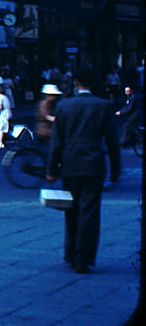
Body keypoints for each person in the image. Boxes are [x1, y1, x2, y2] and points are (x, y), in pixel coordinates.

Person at [47, 67, 121, 274]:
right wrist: (115, 171)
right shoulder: (104, 106)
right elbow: (112, 142)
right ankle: (83, 258)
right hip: (94, 166)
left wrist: (52, 170)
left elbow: (57, 142)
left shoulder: (63, 106)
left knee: (70, 211)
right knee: (89, 213)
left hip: (69, 165)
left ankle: (70, 255)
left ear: (76, 82)